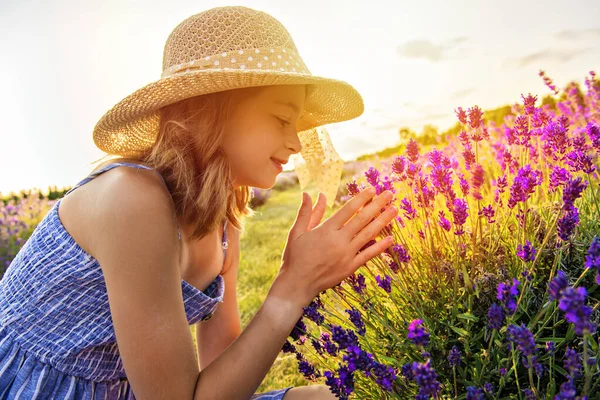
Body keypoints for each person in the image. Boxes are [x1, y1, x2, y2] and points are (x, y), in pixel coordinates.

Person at [0, 6, 398, 400]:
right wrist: (293, 286)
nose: (296, 142)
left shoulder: (225, 223)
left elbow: (222, 376)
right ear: (211, 111)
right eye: (281, 119)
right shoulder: (131, 198)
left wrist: (297, 279)